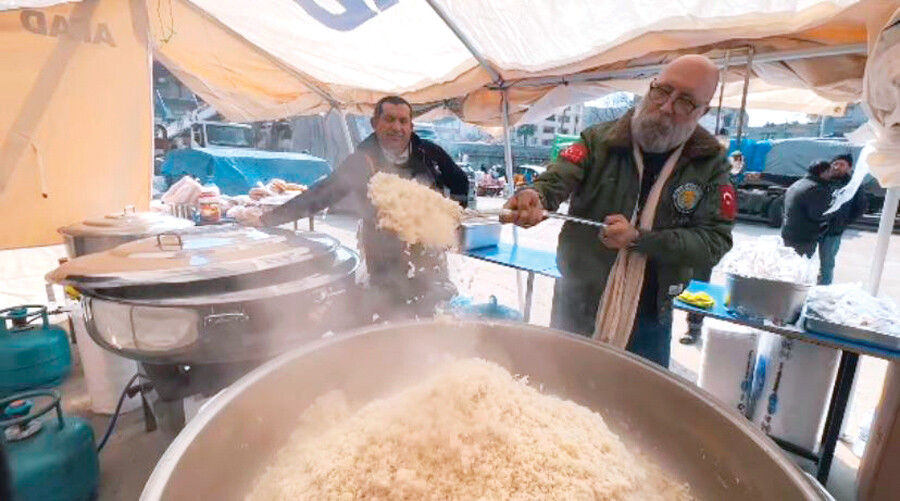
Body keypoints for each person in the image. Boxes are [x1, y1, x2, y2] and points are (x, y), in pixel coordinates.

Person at [502, 55, 735, 368]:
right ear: (650, 87)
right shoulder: (598, 140)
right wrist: (536, 196)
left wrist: (639, 239)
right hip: (578, 298)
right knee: (557, 381)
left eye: (685, 102)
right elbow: (558, 178)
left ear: (702, 111)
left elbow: (714, 242)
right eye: (662, 91)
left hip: (651, 313)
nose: (666, 107)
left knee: (636, 394)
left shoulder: (711, 163)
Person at [259, 96, 470, 317]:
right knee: (392, 307)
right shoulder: (362, 161)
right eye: (389, 119)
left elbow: (460, 182)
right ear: (374, 123)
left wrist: (448, 216)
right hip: (383, 253)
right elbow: (322, 194)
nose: (396, 127)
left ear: (411, 126)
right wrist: (269, 219)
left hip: (428, 252)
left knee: (433, 303)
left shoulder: (430, 153)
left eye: (403, 121)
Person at [818, 154, 867, 285]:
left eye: (842, 164)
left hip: (833, 231)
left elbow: (861, 207)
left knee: (827, 264)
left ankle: (823, 290)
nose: (837, 167)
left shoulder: (853, 185)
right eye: (835, 163)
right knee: (804, 260)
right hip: (813, 227)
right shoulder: (822, 180)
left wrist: (844, 221)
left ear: (849, 168)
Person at [781, 160, 833, 257]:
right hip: (803, 238)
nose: (831, 174)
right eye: (829, 171)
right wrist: (833, 213)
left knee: (788, 262)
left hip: (789, 232)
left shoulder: (798, 183)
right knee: (799, 264)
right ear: (823, 172)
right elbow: (817, 215)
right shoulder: (817, 189)